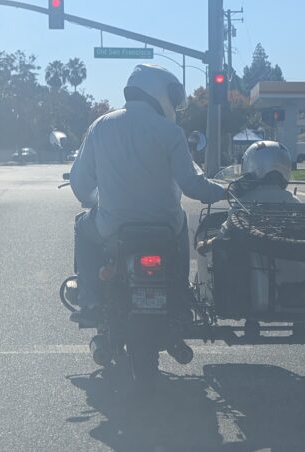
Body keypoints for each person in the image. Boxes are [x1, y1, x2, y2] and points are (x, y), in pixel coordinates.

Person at [69, 64, 226, 325]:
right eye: (174, 99)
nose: (174, 106)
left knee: (81, 225)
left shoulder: (101, 126)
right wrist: (223, 190)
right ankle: (180, 296)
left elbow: (80, 185)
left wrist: (99, 199)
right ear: (159, 92)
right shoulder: (171, 133)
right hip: (164, 226)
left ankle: (91, 299)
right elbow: (193, 185)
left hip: (113, 226)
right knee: (183, 221)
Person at [196, 140, 300, 255]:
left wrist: (206, 244)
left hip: (256, 264)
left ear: (250, 165)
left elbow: (224, 234)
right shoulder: (295, 201)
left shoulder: (244, 202)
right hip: (291, 260)